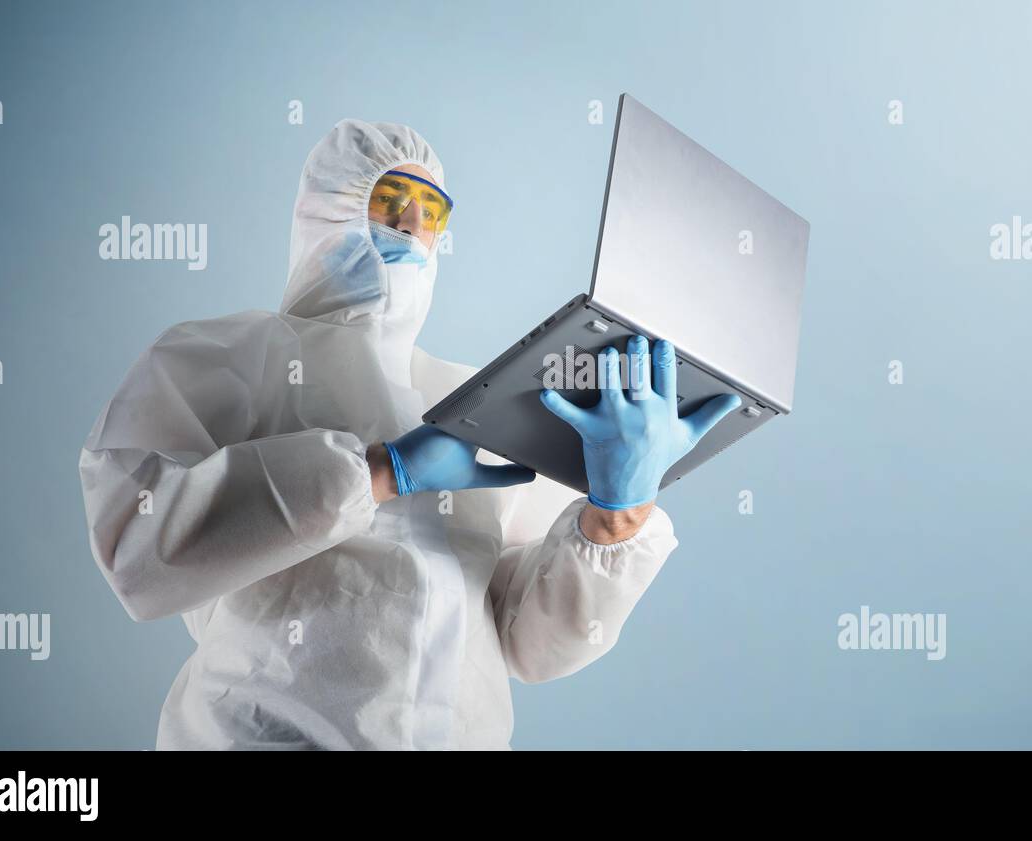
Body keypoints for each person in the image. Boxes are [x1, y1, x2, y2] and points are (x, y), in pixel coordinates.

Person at [78, 119, 738, 749]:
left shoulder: (471, 398)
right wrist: (378, 471)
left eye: (432, 211)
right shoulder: (234, 355)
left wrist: (614, 518)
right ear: (327, 208)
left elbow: (529, 645)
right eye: (391, 199)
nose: (413, 227)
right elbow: (137, 545)